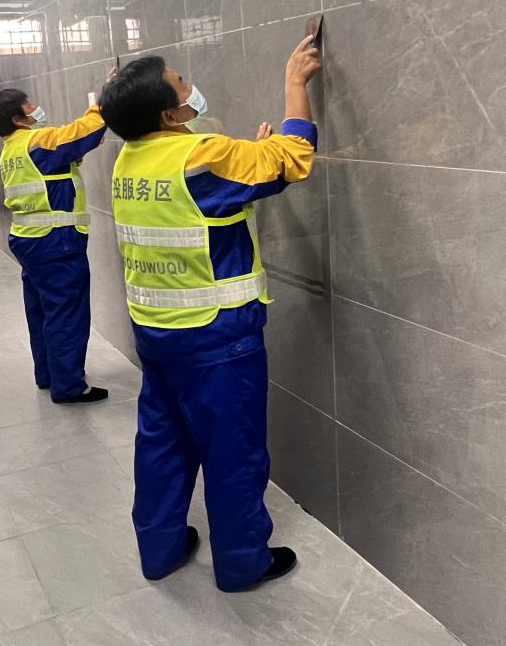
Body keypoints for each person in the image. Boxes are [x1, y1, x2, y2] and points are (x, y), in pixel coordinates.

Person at [98, 34, 322, 592]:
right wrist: (295, 82)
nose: (191, 87)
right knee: (232, 452)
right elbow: (293, 159)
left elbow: (208, 194)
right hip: (217, 340)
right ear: (169, 114)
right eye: (182, 85)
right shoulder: (202, 156)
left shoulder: (130, 158)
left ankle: (161, 549)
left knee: (162, 443)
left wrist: (248, 157)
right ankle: (243, 563)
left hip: (157, 333)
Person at [0, 85, 109, 404]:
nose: (35, 108)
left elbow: (51, 169)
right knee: (67, 314)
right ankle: (69, 386)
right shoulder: (37, 140)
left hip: (29, 240)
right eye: (29, 106)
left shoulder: (12, 149)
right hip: (56, 243)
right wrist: (103, 98)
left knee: (41, 311)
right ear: (17, 118)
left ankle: (48, 375)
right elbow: (85, 130)